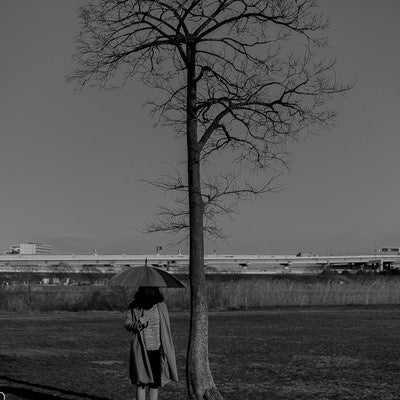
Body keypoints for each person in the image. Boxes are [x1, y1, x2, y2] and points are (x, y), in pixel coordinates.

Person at [125, 286, 178, 400]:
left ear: (156, 290)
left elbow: (166, 328)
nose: (149, 291)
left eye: (152, 289)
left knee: (155, 383)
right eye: (147, 289)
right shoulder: (134, 306)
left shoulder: (161, 306)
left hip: (157, 350)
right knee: (141, 383)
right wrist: (138, 323)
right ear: (141, 290)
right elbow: (127, 324)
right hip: (141, 350)